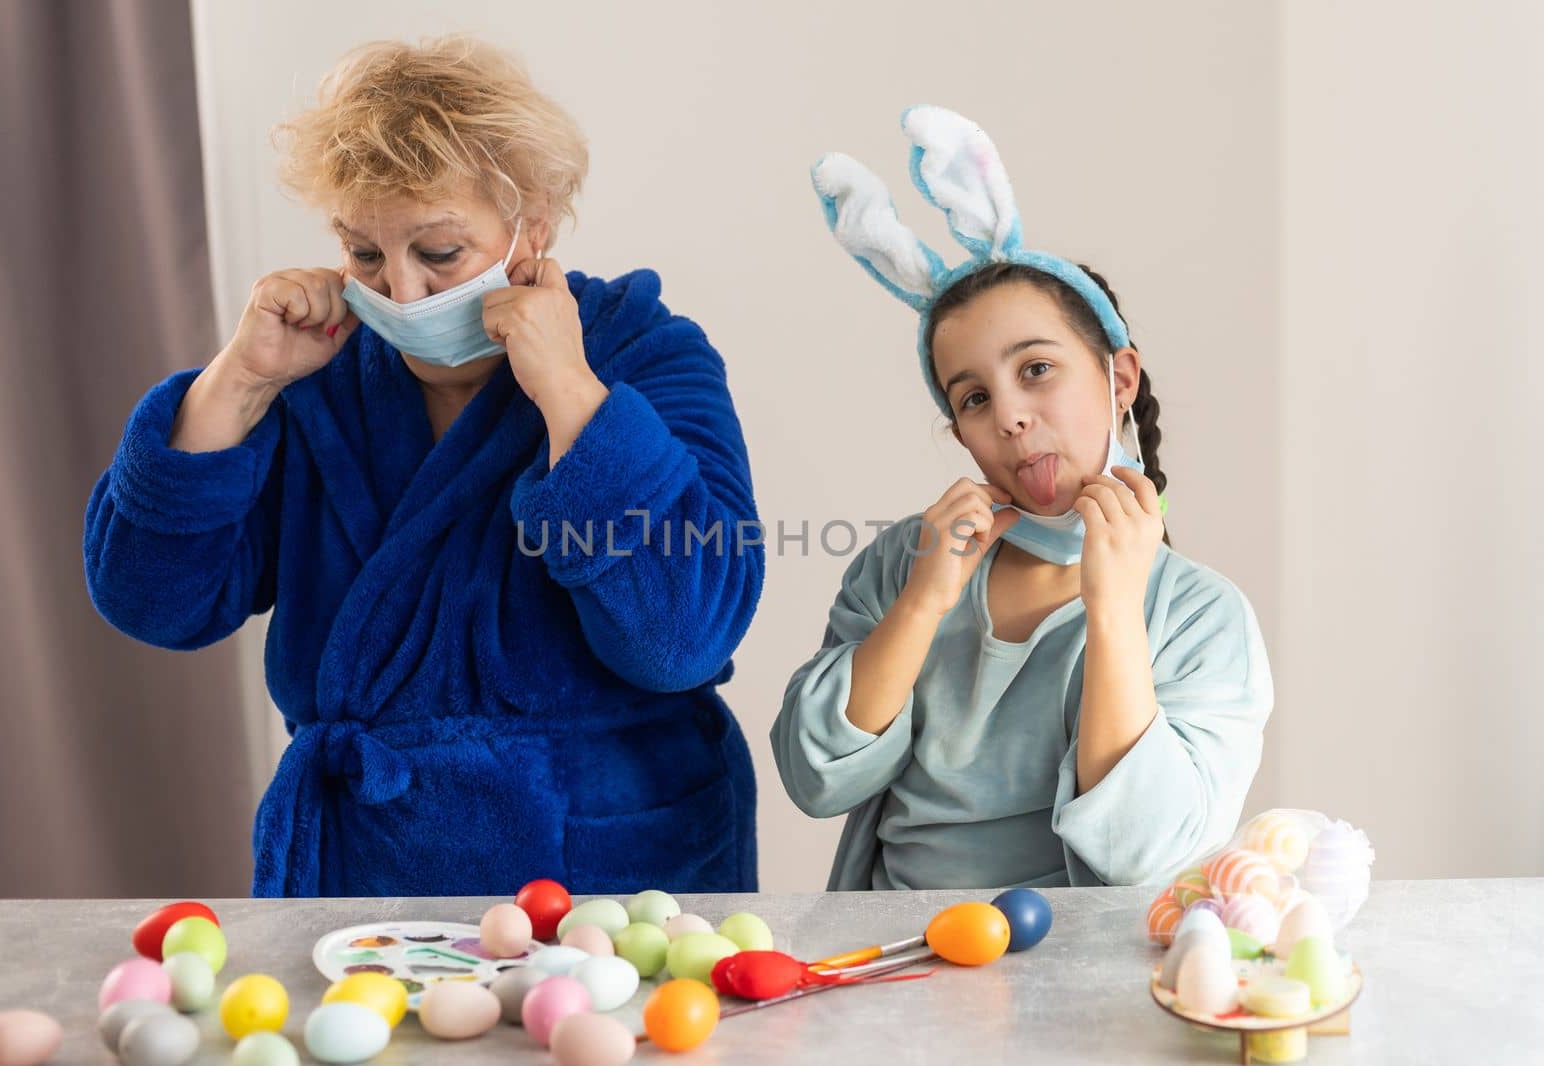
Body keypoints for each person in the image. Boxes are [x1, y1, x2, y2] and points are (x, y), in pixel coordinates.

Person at [84, 36, 763, 896]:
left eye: (438, 252)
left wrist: (571, 396)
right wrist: (239, 383)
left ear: (533, 227)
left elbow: (684, 638)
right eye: (364, 254)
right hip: (365, 877)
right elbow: (154, 604)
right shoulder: (315, 373)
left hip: (608, 882)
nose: (399, 293)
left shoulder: (645, 354)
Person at [774, 106, 1272, 890]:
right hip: (893, 974)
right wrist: (921, 603)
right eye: (971, 397)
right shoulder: (907, 560)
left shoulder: (1204, 616)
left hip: (1081, 987)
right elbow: (814, 779)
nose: (1007, 414)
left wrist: (1113, 610)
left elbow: (1147, 855)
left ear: (1119, 379)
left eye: (1036, 369)